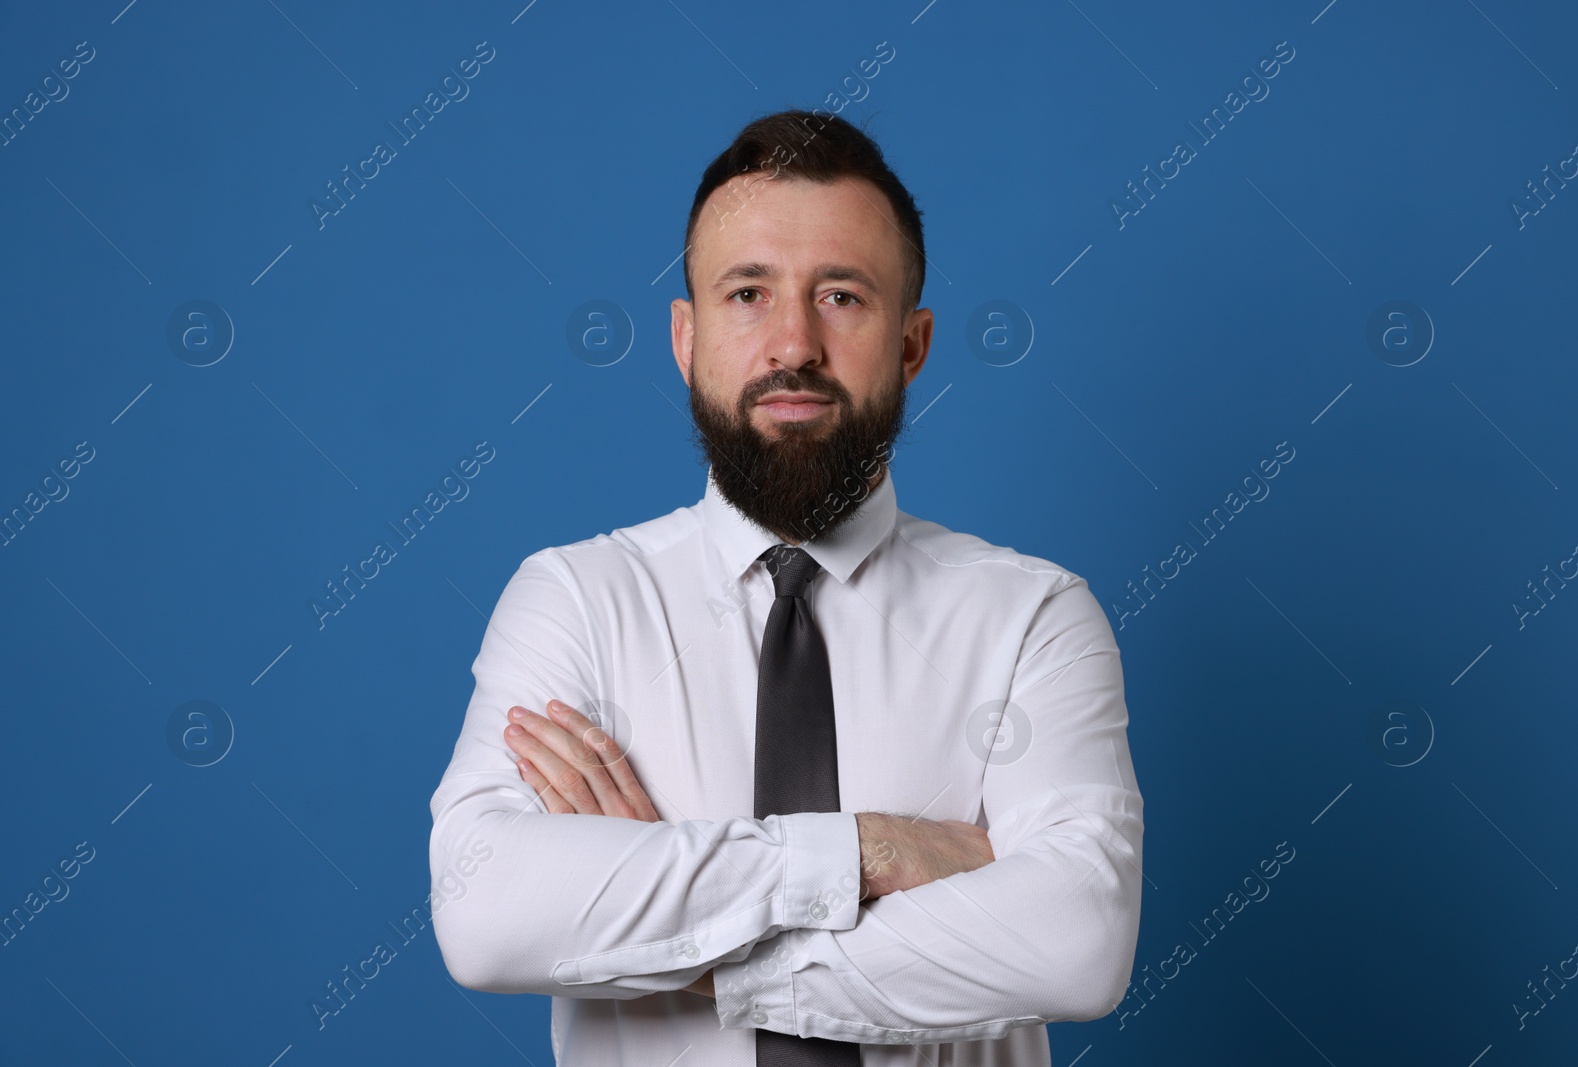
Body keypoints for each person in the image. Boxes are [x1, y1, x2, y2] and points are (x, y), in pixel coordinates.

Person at [428, 108, 1143, 1065]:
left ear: (912, 343)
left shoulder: (1033, 618)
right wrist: (867, 854)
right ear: (686, 339)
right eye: (747, 294)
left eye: (842, 296)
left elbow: (1076, 945)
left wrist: (672, 925)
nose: (794, 343)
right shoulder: (577, 600)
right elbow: (487, 911)